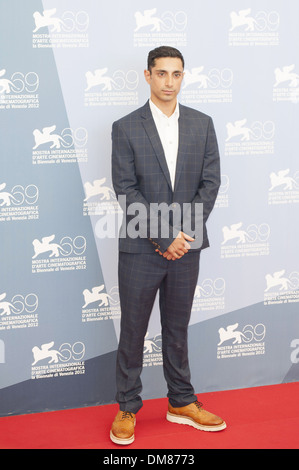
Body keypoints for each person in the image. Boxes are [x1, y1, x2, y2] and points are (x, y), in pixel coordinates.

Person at [110, 46, 226, 445]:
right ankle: (127, 406)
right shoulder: (125, 127)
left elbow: (210, 184)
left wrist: (183, 238)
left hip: (186, 249)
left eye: (176, 74)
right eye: (161, 74)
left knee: (176, 330)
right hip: (142, 249)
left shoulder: (202, 123)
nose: (169, 82)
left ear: (183, 77)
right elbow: (126, 190)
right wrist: (164, 237)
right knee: (133, 330)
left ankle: (181, 402)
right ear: (147, 76)